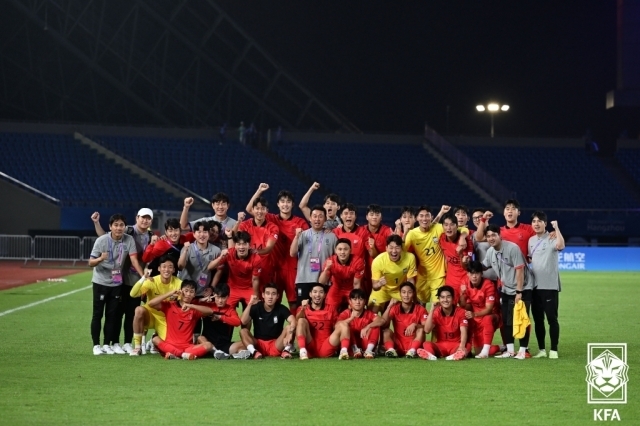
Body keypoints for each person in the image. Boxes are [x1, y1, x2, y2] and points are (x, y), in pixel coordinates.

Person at [90, 208, 155, 354]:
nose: (145, 220)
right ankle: (110, 343)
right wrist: (96, 223)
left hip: (134, 281)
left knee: (129, 314)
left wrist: (143, 277)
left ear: (151, 221)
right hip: (120, 280)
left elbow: (139, 259)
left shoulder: (150, 236)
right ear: (137, 218)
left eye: (148, 218)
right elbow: (105, 237)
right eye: (142, 217)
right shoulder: (129, 231)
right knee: (113, 313)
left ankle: (124, 342)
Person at [245, 183, 309, 312]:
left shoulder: (300, 222)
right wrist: (259, 191)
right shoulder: (271, 218)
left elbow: (308, 244)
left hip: (293, 268)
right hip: (273, 268)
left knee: (293, 302)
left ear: (292, 204)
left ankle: (295, 330)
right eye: (282, 201)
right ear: (278, 204)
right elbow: (250, 209)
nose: (285, 204)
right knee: (272, 300)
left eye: (288, 202)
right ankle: (272, 331)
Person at [482, 224, 535, 359]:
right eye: (488, 236)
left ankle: (523, 351)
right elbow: (482, 266)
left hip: (522, 288)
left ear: (500, 235)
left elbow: (520, 270)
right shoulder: (490, 252)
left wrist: (519, 292)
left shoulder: (512, 248)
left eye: (494, 235)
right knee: (506, 320)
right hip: (506, 289)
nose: (491, 238)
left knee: (521, 319)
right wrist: (466, 262)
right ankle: (510, 350)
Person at [404, 205, 467, 304]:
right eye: (421, 216)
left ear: (431, 217)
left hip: (439, 276)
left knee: (437, 304)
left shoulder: (439, 228)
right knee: (419, 303)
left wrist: (463, 237)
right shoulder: (412, 234)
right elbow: (403, 251)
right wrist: (404, 233)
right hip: (422, 275)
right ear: (416, 218)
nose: (424, 218)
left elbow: (461, 229)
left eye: (427, 215)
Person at [129, 255, 182, 356]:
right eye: (164, 266)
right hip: (150, 315)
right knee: (139, 310)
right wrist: (143, 278)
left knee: (171, 345)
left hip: (166, 318)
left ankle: (153, 339)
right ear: (159, 268)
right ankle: (137, 347)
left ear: (174, 269)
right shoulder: (152, 281)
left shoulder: (179, 283)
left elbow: (180, 305)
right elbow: (133, 294)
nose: (167, 269)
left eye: (170, 267)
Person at [528, 212, 564, 359]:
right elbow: (531, 258)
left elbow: (561, 246)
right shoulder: (530, 240)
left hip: (549, 286)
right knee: (538, 320)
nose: (536, 224)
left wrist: (557, 228)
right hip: (535, 287)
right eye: (534, 221)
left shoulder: (552, 236)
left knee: (552, 319)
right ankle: (542, 349)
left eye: (540, 221)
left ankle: (554, 349)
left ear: (545, 223)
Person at [148, 280, 214, 360]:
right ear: (180, 291)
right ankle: (183, 355)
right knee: (155, 339)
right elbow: (150, 303)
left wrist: (191, 306)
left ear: (194, 295)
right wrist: (171, 293)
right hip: (171, 345)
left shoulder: (194, 310)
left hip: (187, 347)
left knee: (208, 345)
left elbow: (210, 311)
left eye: (191, 292)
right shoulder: (170, 305)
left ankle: (176, 355)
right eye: (186, 291)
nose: (188, 294)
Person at [290, 205, 337, 309]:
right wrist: (296, 237)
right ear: (310, 218)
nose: (317, 219)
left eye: (320, 216)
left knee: (323, 310)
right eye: (314, 216)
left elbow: (336, 259)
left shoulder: (332, 236)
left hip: (324, 280)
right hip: (304, 279)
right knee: (302, 310)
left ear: (325, 219)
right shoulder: (303, 234)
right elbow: (292, 253)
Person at [367, 282, 427, 358]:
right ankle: (391, 351)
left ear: (414, 293)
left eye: (409, 292)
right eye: (404, 292)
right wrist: (389, 306)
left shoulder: (421, 309)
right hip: (398, 345)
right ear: (400, 294)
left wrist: (416, 325)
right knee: (386, 331)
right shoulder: (395, 308)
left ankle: (412, 351)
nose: (406, 295)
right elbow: (384, 323)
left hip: (414, 345)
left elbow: (426, 328)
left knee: (420, 330)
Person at [240, 284, 296, 359]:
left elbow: (293, 321)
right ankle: (254, 352)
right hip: (259, 345)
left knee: (290, 327)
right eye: (267, 293)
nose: (270, 297)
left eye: (273, 294)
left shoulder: (281, 308)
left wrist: (289, 334)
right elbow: (243, 321)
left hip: (276, 344)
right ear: (263, 295)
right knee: (243, 331)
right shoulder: (256, 307)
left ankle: (286, 351)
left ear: (277, 296)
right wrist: (250, 304)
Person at [295, 284, 351, 360]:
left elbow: (337, 326)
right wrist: (303, 309)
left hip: (326, 345)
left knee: (343, 324)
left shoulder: (331, 309)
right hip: (310, 346)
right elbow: (297, 321)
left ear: (325, 295)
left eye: (321, 292)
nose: (317, 295)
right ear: (310, 294)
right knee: (301, 320)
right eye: (315, 292)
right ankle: (302, 351)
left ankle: (344, 351)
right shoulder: (303, 308)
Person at [208, 231, 262, 309]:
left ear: (249, 245)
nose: (241, 247)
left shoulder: (256, 258)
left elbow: (255, 279)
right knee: (225, 310)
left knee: (253, 310)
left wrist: (256, 296)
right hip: (232, 288)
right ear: (235, 245)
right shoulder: (229, 253)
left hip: (249, 288)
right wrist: (220, 257)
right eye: (239, 244)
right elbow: (210, 267)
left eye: (244, 244)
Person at [459, 261, 501, 358]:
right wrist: (462, 294)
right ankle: (501, 347)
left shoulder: (488, 285)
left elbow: (489, 309)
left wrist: (474, 314)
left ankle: (485, 351)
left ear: (481, 274)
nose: (474, 276)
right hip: (476, 317)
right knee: (478, 352)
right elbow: (463, 306)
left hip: (492, 315)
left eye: (477, 273)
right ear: (468, 274)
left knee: (487, 318)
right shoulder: (464, 283)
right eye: (472, 273)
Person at [238, 196, 279, 291]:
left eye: (263, 208)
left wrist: (253, 251)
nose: (260, 211)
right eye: (257, 208)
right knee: (248, 297)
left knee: (265, 296)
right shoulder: (244, 225)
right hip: (247, 266)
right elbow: (238, 242)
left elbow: (269, 248)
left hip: (266, 267)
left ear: (267, 210)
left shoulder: (273, 227)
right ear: (252, 210)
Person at [198, 283, 249, 360]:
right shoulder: (207, 306)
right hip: (208, 343)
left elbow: (237, 322)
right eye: (218, 297)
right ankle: (216, 352)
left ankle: (222, 353)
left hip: (224, 345)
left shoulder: (230, 310)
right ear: (214, 295)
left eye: (223, 297)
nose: (220, 301)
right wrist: (201, 300)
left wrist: (220, 317)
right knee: (200, 338)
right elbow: (192, 306)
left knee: (246, 343)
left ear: (228, 297)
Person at [368, 235, 417, 312]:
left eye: (397, 247)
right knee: (371, 311)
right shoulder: (378, 261)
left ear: (401, 248)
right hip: (382, 290)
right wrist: (379, 284)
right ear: (386, 248)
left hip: (399, 290)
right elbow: (375, 286)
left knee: (410, 310)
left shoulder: (410, 258)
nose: (394, 251)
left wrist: (410, 294)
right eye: (391, 248)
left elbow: (410, 279)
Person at [420, 286, 469, 361]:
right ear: (439, 299)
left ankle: (456, 355)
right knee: (426, 344)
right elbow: (427, 330)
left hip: (455, 345)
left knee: (467, 346)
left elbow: (464, 331)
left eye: (448, 297)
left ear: (453, 298)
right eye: (442, 297)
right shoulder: (436, 312)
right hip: (440, 345)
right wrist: (432, 310)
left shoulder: (461, 312)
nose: (445, 300)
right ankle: (430, 355)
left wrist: (461, 346)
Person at [319, 238, 365, 311]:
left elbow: (356, 284)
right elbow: (321, 282)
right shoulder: (330, 261)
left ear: (350, 250)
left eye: (345, 249)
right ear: (336, 251)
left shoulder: (358, 262)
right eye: (340, 249)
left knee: (356, 308)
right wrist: (326, 269)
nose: (342, 252)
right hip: (336, 288)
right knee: (329, 309)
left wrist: (355, 301)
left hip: (351, 288)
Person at [178, 221, 221, 298]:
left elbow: (219, 270)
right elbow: (181, 266)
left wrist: (212, 287)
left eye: (205, 232)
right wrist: (185, 251)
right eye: (199, 232)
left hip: (202, 292)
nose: (202, 235)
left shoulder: (216, 250)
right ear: (194, 234)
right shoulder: (187, 248)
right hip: (185, 291)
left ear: (208, 234)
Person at [439, 213, 474, 304]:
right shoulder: (442, 238)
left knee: (465, 305)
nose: (449, 228)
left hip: (465, 279)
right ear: (442, 226)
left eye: (452, 224)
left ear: (457, 226)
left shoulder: (467, 242)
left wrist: (461, 255)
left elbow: (467, 267)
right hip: (450, 280)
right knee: (449, 306)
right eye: (446, 225)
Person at [337, 289, 380, 358]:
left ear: (365, 301)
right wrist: (350, 318)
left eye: (361, 299)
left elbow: (381, 320)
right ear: (350, 301)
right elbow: (337, 325)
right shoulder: (345, 313)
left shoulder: (368, 313)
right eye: (354, 299)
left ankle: (369, 351)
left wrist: (368, 326)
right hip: (350, 346)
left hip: (365, 344)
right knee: (345, 326)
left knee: (376, 325)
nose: (358, 302)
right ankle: (355, 349)